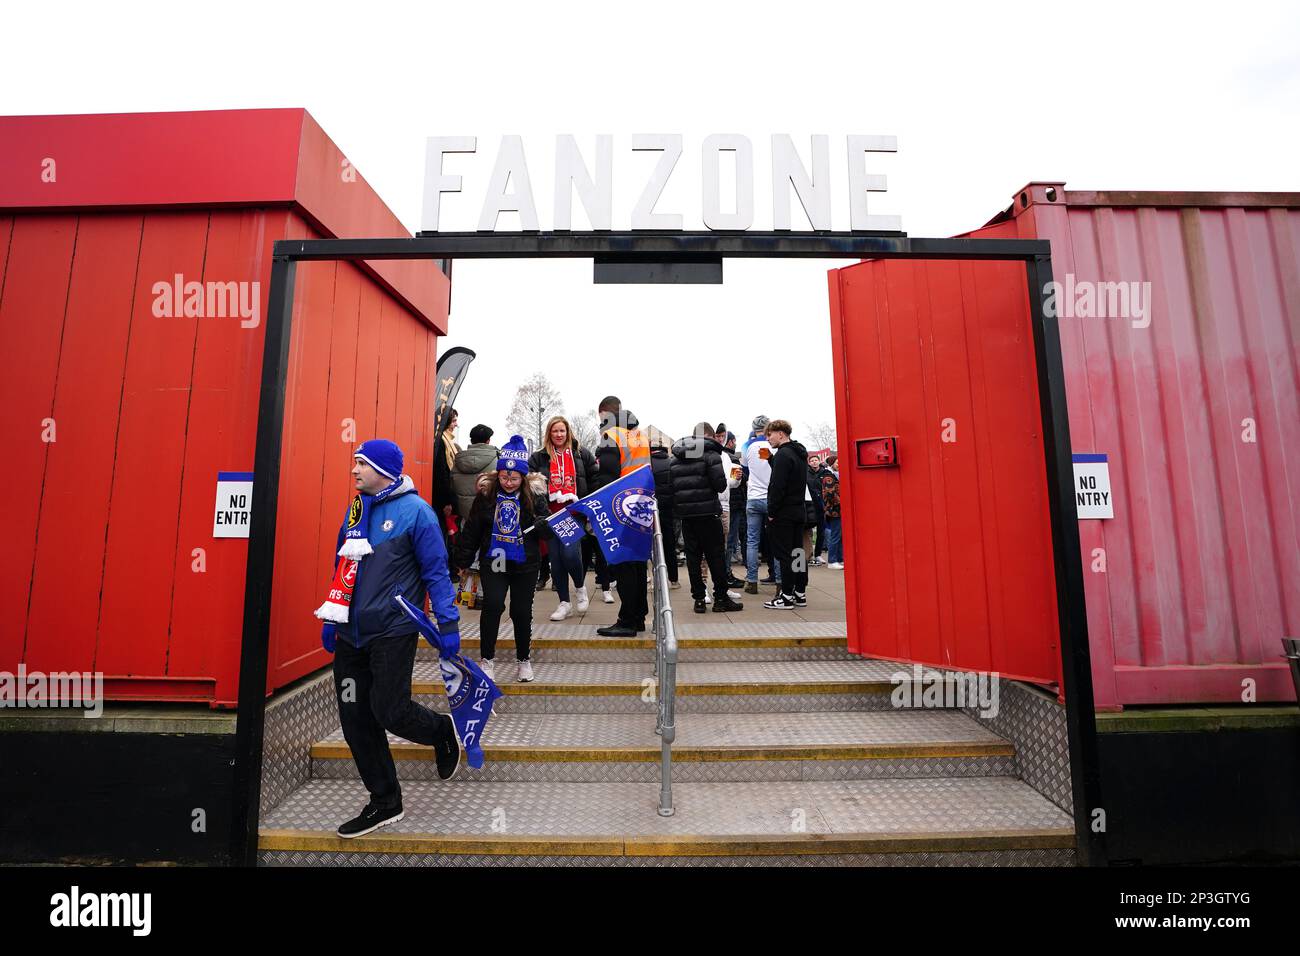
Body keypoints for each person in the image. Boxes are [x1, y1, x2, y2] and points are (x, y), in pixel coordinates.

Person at [315, 439, 462, 839]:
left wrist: (448, 624)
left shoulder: (418, 513)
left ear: (384, 470)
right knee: (354, 718)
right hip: (350, 631)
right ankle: (385, 801)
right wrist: (332, 616)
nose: (354, 470)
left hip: (393, 630)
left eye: (361, 463)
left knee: (388, 709)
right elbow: (341, 564)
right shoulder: (356, 510)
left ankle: (440, 731)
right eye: (354, 463)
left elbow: (436, 572)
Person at [454, 435, 551, 683]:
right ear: (498, 475)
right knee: (493, 605)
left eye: (514, 478)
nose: (509, 482)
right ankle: (487, 659)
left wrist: (543, 525)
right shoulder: (486, 496)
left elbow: (549, 527)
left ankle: (523, 660)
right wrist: (462, 561)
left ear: (523, 478)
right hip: (494, 561)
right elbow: (472, 530)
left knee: (520, 611)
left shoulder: (534, 497)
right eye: (505, 477)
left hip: (525, 564)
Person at [592, 395, 651, 637]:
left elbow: (607, 478)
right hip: (641, 505)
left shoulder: (611, 436)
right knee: (637, 565)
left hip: (620, 507)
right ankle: (638, 616)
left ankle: (626, 620)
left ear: (605, 413)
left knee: (623, 565)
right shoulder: (639, 436)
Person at [529, 415, 598, 619]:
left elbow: (594, 478)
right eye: (554, 431)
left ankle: (580, 588)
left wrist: (589, 506)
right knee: (556, 560)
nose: (559, 434)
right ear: (549, 433)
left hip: (574, 512)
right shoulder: (539, 457)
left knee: (569, 554)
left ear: (568, 432)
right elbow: (531, 485)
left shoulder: (581, 453)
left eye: (562, 430)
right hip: (550, 514)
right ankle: (564, 603)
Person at [671, 423, 744, 613]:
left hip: (687, 517)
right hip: (709, 513)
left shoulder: (676, 458)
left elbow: (672, 488)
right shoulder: (711, 455)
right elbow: (720, 485)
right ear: (709, 437)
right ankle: (720, 598)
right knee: (716, 557)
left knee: (694, 559)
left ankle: (699, 600)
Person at [763, 420, 809, 609]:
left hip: (784, 513)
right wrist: (770, 460)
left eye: (770, 435)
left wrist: (772, 511)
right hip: (799, 510)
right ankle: (800, 592)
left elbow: (778, 486)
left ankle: (787, 596)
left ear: (780, 434)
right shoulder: (799, 453)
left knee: (784, 555)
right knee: (798, 552)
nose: (768, 439)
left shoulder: (783, 455)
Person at [742, 415, 779, 594]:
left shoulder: (748, 447)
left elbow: (744, 470)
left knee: (752, 541)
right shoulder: (775, 448)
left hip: (753, 498)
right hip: (771, 498)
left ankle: (751, 581)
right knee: (777, 540)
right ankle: (780, 580)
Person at [451, 424, 499, 524]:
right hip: (490, 519)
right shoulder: (497, 460)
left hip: (464, 518)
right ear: (488, 441)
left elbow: (452, 487)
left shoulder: (458, 461)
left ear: (471, 441)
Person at [649, 434, 680, 589]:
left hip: (650, 508)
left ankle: (655, 578)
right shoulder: (671, 462)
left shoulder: (646, 464)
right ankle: (673, 578)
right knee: (669, 543)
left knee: (651, 544)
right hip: (668, 509)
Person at [719, 427, 747, 564]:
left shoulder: (723, 457)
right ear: (729, 442)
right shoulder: (731, 458)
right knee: (730, 539)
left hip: (725, 502)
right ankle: (727, 570)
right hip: (732, 503)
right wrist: (741, 478)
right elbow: (735, 481)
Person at [432, 407, 460, 537]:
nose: (456, 424)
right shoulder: (441, 441)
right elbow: (441, 473)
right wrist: (446, 502)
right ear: (446, 421)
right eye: (453, 421)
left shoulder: (444, 440)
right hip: (441, 501)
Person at [821, 453, 844, 569]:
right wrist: (842, 502)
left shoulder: (836, 475)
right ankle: (832, 560)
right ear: (832, 464)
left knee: (840, 535)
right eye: (837, 463)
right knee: (835, 535)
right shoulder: (828, 477)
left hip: (838, 509)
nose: (839, 465)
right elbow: (830, 493)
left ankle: (840, 559)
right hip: (834, 510)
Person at [807, 454, 827, 567]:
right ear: (809, 463)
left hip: (821, 504)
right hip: (809, 504)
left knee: (821, 530)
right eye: (812, 460)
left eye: (816, 460)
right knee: (808, 530)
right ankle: (808, 555)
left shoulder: (825, 473)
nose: (814, 462)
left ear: (819, 461)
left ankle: (818, 553)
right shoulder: (805, 473)